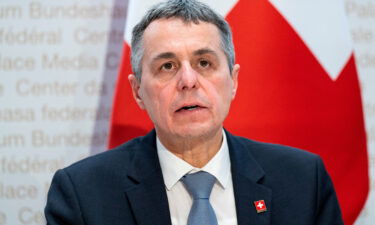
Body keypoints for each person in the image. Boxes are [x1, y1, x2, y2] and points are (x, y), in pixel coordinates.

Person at [44, 0, 343, 224]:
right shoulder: (83, 194)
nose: (188, 81)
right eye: (167, 66)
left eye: (204, 63)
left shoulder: (303, 181)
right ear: (137, 92)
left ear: (233, 81)